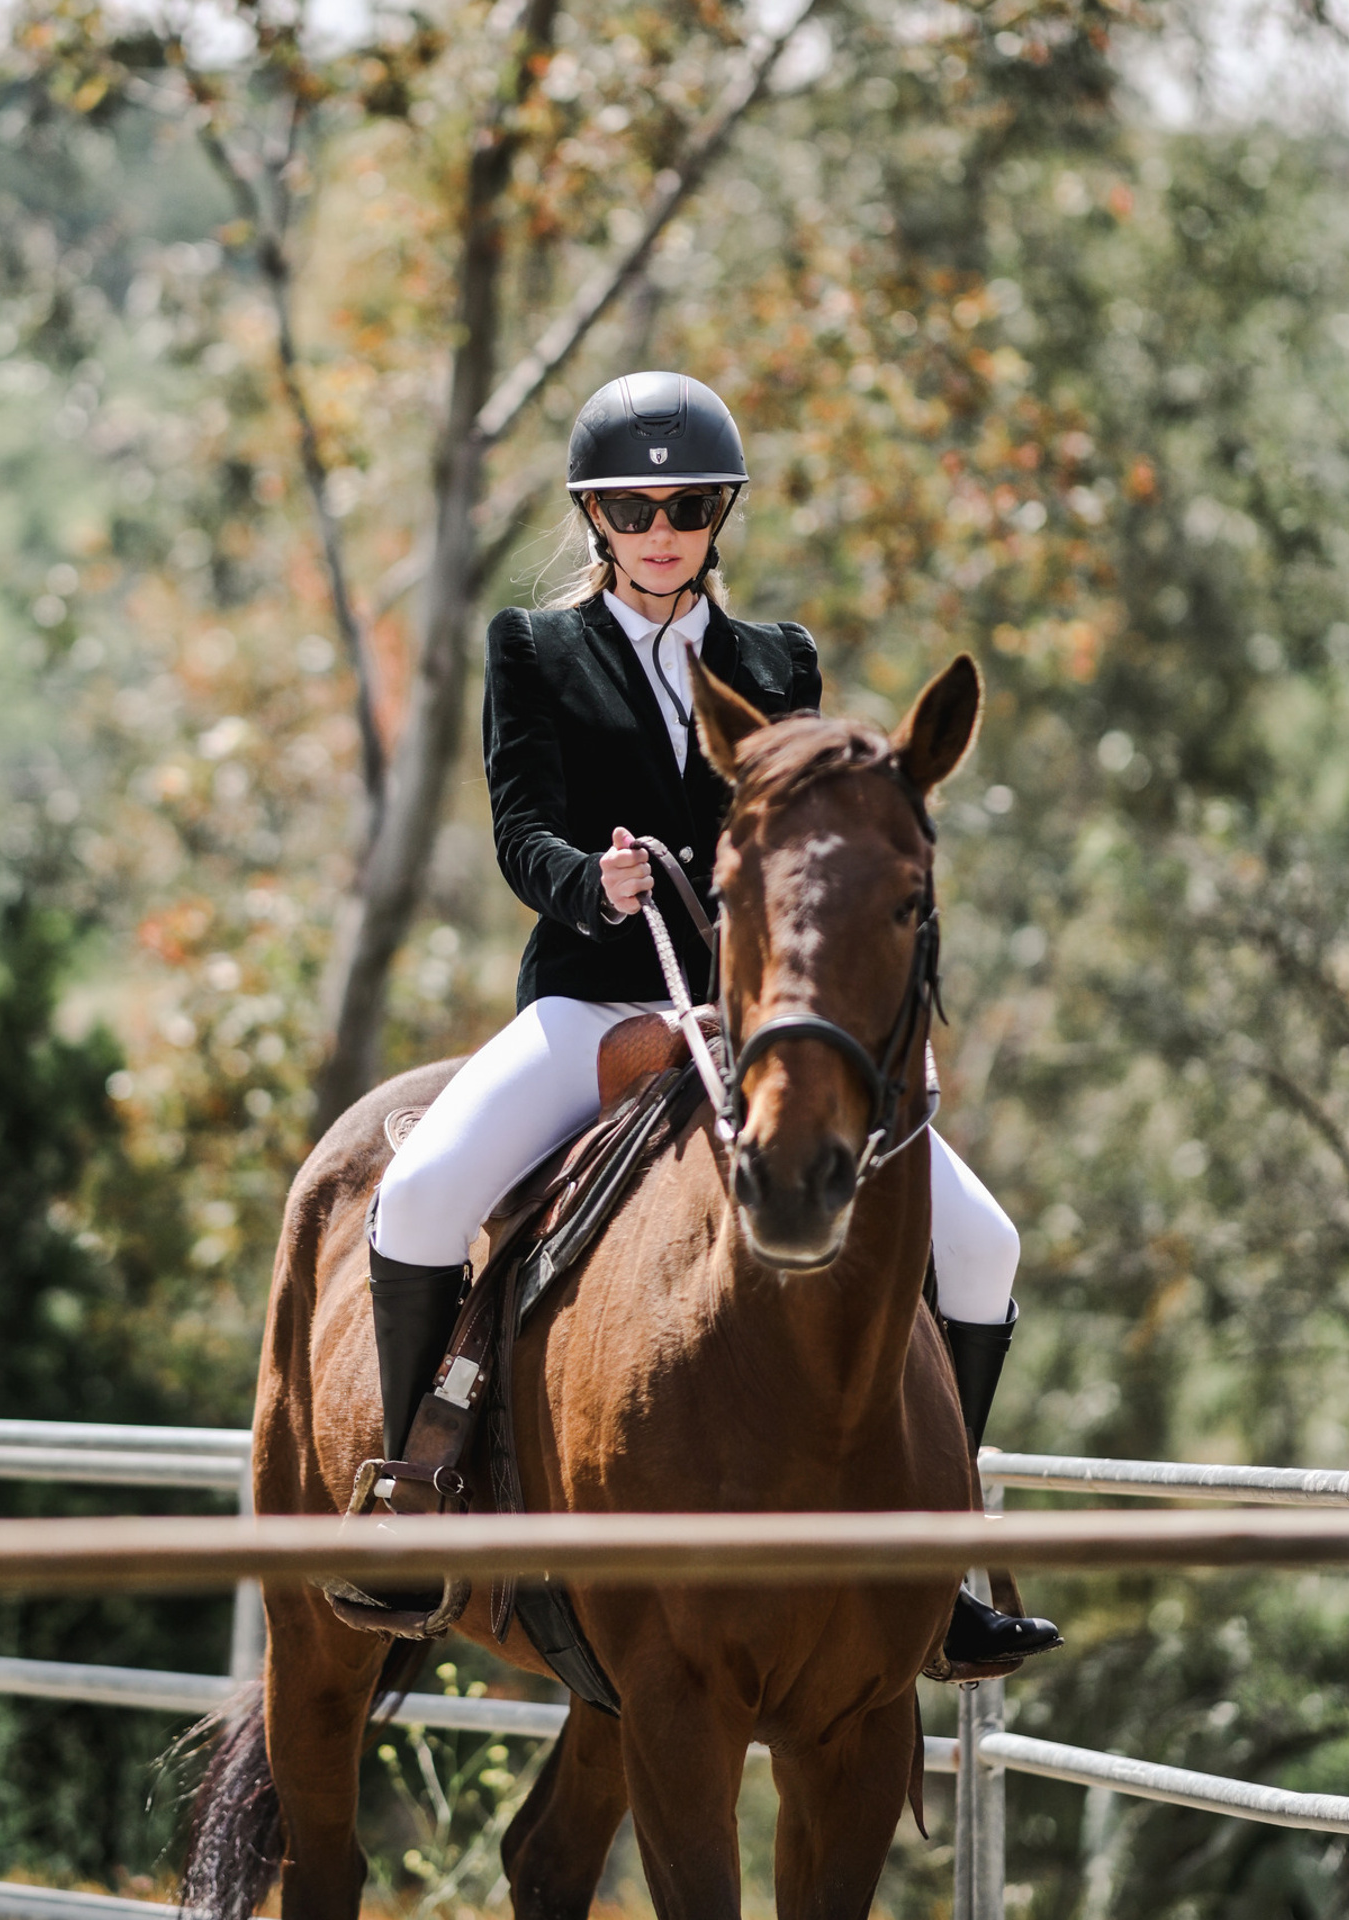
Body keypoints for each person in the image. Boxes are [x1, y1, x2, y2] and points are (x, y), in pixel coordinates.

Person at [368, 370, 1060, 1668]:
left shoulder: (774, 662)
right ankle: (418, 1499)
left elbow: (798, 842)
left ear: (718, 514)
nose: (662, 526)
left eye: (688, 503)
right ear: (596, 519)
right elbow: (521, 830)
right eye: (634, 506)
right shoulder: (533, 651)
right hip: (595, 1000)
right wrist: (597, 879)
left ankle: (938, 1550)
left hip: (752, 1023)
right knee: (416, 1195)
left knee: (985, 1249)